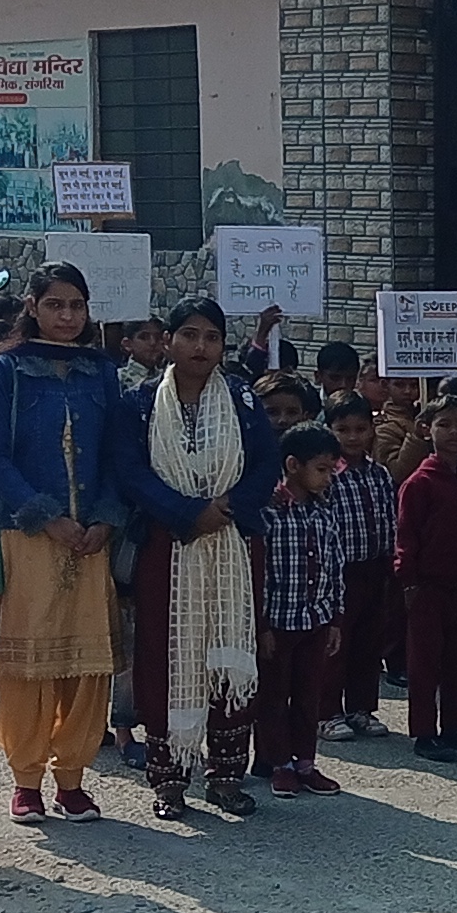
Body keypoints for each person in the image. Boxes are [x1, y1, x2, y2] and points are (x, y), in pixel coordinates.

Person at [0, 261, 133, 823]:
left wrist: (106, 519)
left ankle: (72, 779)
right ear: (32, 307)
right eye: (55, 305)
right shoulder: (7, 370)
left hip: (91, 540)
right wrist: (46, 517)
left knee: (88, 665)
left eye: (76, 306)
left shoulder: (101, 372)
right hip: (28, 536)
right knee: (29, 664)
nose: (67, 316)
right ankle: (26, 779)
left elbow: (118, 453)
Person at [116, 299, 277, 823]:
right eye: (189, 334)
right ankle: (169, 780)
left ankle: (226, 776)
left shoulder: (243, 400)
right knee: (164, 654)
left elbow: (265, 464)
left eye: (211, 337)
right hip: (165, 546)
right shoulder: (140, 403)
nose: (200, 346)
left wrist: (224, 508)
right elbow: (130, 471)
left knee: (228, 651)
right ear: (168, 341)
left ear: (223, 345)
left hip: (232, 543)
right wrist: (187, 513)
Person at [253, 422, 353, 795]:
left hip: (316, 620)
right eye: (321, 469)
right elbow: (260, 575)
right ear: (293, 465)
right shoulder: (269, 514)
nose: (328, 478)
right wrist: (262, 626)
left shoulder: (324, 512)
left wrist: (336, 619)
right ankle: (278, 764)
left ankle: (305, 762)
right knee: (274, 697)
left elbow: (336, 567)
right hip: (279, 623)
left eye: (332, 470)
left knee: (309, 696)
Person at [396, 387, 457, 761]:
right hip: (427, 586)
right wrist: (408, 581)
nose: (454, 432)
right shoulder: (419, 483)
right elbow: (406, 535)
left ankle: (456, 726)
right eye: (445, 424)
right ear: (427, 429)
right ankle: (424, 732)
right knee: (425, 663)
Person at [324, 393, 401, 740]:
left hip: (375, 568)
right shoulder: (327, 475)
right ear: (329, 430)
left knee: (369, 644)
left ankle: (361, 709)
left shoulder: (379, 474)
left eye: (360, 429)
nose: (353, 437)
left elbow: (390, 518)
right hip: (339, 573)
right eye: (343, 429)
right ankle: (327, 712)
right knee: (335, 645)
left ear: (372, 429)